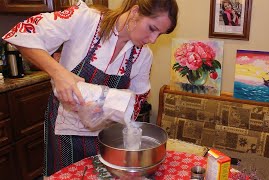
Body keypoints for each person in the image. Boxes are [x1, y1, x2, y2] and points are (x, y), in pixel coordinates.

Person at [2, 0, 178, 177]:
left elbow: (138, 98)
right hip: (65, 132)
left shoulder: (143, 55)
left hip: (105, 137)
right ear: (135, 12)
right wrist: (58, 73)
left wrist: (114, 116)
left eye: (159, 34)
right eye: (152, 28)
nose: (153, 40)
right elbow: (21, 32)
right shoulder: (85, 20)